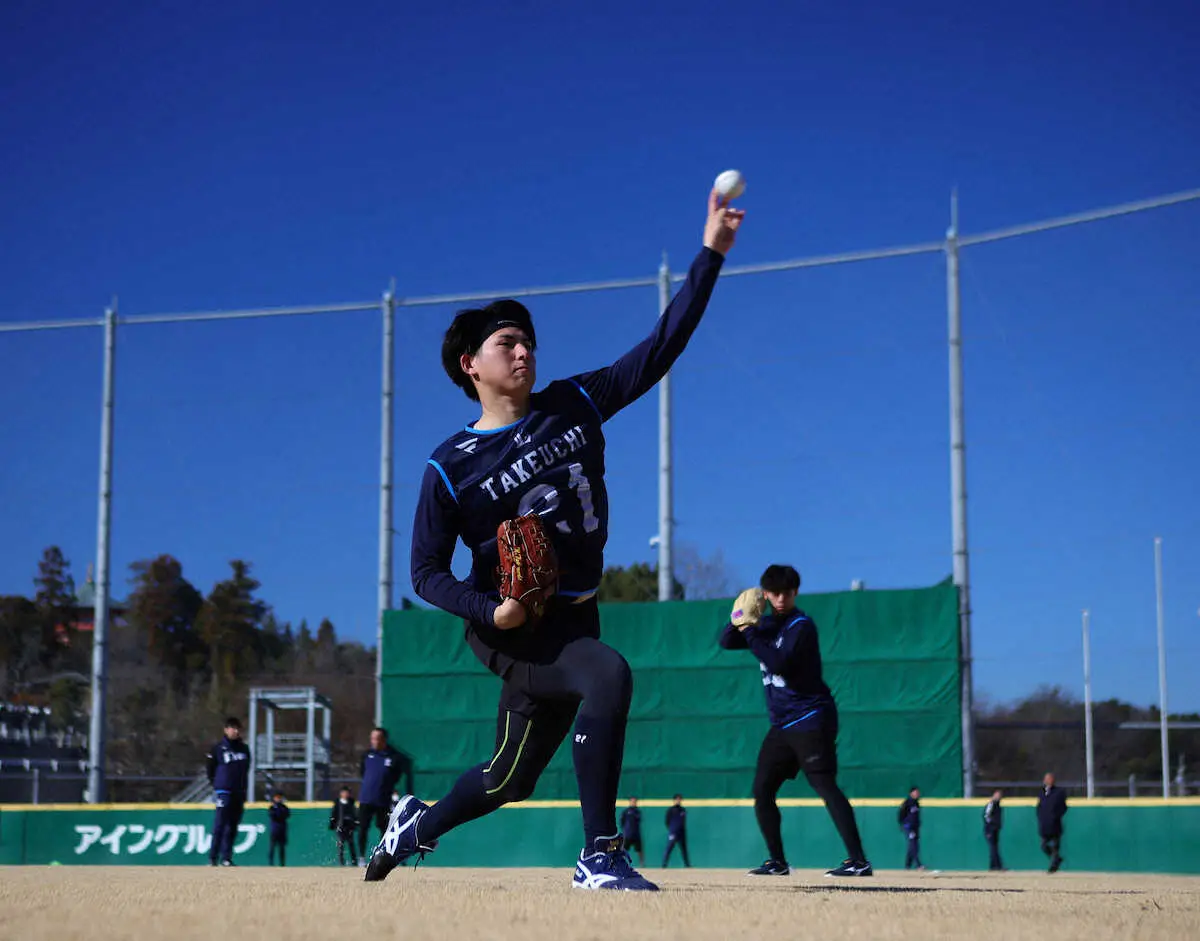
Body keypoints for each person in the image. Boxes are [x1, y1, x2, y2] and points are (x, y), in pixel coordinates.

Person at [364, 187, 745, 892]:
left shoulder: (573, 402)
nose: (523, 347)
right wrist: (491, 611)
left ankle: (411, 825)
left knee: (510, 776)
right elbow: (424, 571)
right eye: (505, 340)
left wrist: (711, 255)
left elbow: (660, 347)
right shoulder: (449, 465)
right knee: (608, 673)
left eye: (527, 338)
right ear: (469, 366)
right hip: (516, 629)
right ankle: (598, 852)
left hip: (576, 612)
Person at [719, 565, 873, 878]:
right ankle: (777, 862)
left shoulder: (800, 626)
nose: (780, 598)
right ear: (766, 593)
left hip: (811, 717)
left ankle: (858, 861)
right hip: (783, 725)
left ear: (795, 593)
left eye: (786, 593)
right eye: (774, 593)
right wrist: (739, 616)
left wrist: (748, 629)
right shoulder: (763, 626)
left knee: (823, 784)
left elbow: (779, 663)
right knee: (762, 790)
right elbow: (725, 641)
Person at [205, 716, 251, 867]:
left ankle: (227, 858)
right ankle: (213, 857)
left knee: (233, 825)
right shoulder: (218, 748)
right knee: (220, 824)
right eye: (232, 728)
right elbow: (210, 768)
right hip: (224, 790)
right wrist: (217, 784)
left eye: (238, 728)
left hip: (239, 791)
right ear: (226, 729)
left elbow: (246, 768)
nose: (235, 731)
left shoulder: (244, 749)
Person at [357, 728, 405, 865]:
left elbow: (396, 777)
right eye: (372, 738)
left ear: (384, 740)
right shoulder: (366, 755)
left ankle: (381, 858)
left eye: (377, 738)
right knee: (362, 828)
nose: (374, 741)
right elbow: (363, 773)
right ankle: (361, 858)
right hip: (366, 799)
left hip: (383, 800)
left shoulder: (394, 757)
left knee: (384, 830)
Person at [1037, 772, 1068, 873]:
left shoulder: (1059, 792)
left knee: (1055, 846)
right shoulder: (1042, 792)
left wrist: (1056, 815)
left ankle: (1053, 866)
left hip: (1055, 824)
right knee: (1043, 845)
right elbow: (1039, 807)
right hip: (1045, 824)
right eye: (1046, 779)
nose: (1048, 781)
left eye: (1050, 779)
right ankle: (1056, 859)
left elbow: (1064, 807)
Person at [330, 786, 360, 866]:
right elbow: (334, 814)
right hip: (340, 827)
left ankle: (354, 862)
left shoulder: (351, 803)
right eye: (344, 792)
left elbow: (355, 815)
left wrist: (355, 823)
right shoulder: (337, 803)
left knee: (351, 844)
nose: (345, 794)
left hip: (349, 827)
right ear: (341, 793)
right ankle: (341, 862)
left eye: (347, 792)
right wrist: (333, 824)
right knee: (341, 845)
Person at [662, 794, 691, 868]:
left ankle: (687, 864)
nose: (678, 801)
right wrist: (672, 830)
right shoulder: (671, 810)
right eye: (677, 799)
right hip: (673, 832)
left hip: (682, 832)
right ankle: (664, 864)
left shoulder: (683, 810)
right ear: (674, 800)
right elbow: (667, 821)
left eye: (679, 799)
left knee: (684, 849)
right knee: (669, 848)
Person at [898, 786, 923, 870]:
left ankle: (907, 865)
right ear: (911, 793)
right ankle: (918, 865)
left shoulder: (916, 803)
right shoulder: (907, 802)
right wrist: (903, 824)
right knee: (913, 845)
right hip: (908, 827)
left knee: (912, 846)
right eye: (915, 792)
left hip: (915, 827)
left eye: (918, 792)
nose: (917, 794)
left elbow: (916, 816)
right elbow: (901, 814)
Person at [619, 797, 645, 866]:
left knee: (639, 850)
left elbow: (639, 819)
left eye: (635, 801)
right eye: (632, 801)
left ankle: (642, 863)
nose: (633, 802)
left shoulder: (638, 811)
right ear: (630, 802)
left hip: (636, 834)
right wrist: (625, 830)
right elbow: (622, 821)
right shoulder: (626, 811)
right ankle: (621, 863)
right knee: (624, 849)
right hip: (628, 834)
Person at [267, 791, 290, 866]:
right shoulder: (272, 807)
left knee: (282, 847)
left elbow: (286, 815)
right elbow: (273, 815)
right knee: (272, 847)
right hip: (274, 829)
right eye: (277, 797)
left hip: (282, 829)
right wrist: (276, 807)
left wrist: (279, 808)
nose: (278, 799)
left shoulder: (284, 807)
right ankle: (271, 863)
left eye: (280, 797)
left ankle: (282, 863)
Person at [983, 788, 1004, 871]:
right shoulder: (991, 804)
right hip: (990, 829)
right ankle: (997, 866)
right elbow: (986, 816)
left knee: (994, 847)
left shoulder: (998, 805)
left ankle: (993, 866)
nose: (999, 797)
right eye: (997, 795)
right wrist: (989, 827)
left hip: (995, 829)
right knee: (993, 848)